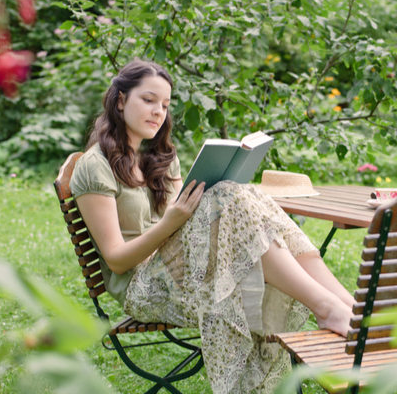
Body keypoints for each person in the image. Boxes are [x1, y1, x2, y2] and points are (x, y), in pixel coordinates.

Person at [70, 59, 355, 393]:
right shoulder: (95, 167)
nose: (158, 112)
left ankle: (350, 308)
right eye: (148, 100)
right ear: (120, 100)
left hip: (179, 267)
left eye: (164, 105)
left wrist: (190, 212)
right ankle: (328, 308)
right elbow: (117, 259)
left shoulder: (160, 157)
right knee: (229, 199)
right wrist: (175, 220)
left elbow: (184, 228)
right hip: (144, 287)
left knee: (242, 195)